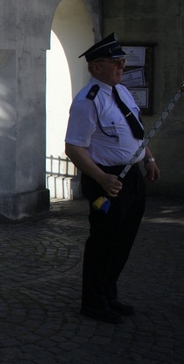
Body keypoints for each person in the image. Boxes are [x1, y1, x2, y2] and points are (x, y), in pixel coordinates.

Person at [64, 33, 160, 324]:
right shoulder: (87, 101)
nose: (121, 66)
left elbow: (136, 133)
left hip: (131, 177)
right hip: (105, 182)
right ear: (96, 68)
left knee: (124, 240)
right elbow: (73, 148)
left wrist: (150, 158)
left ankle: (109, 294)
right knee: (104, 241)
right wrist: (102, 178)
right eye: (115, 62)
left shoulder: (122, 91)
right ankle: (93, 302)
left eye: (122, 61)